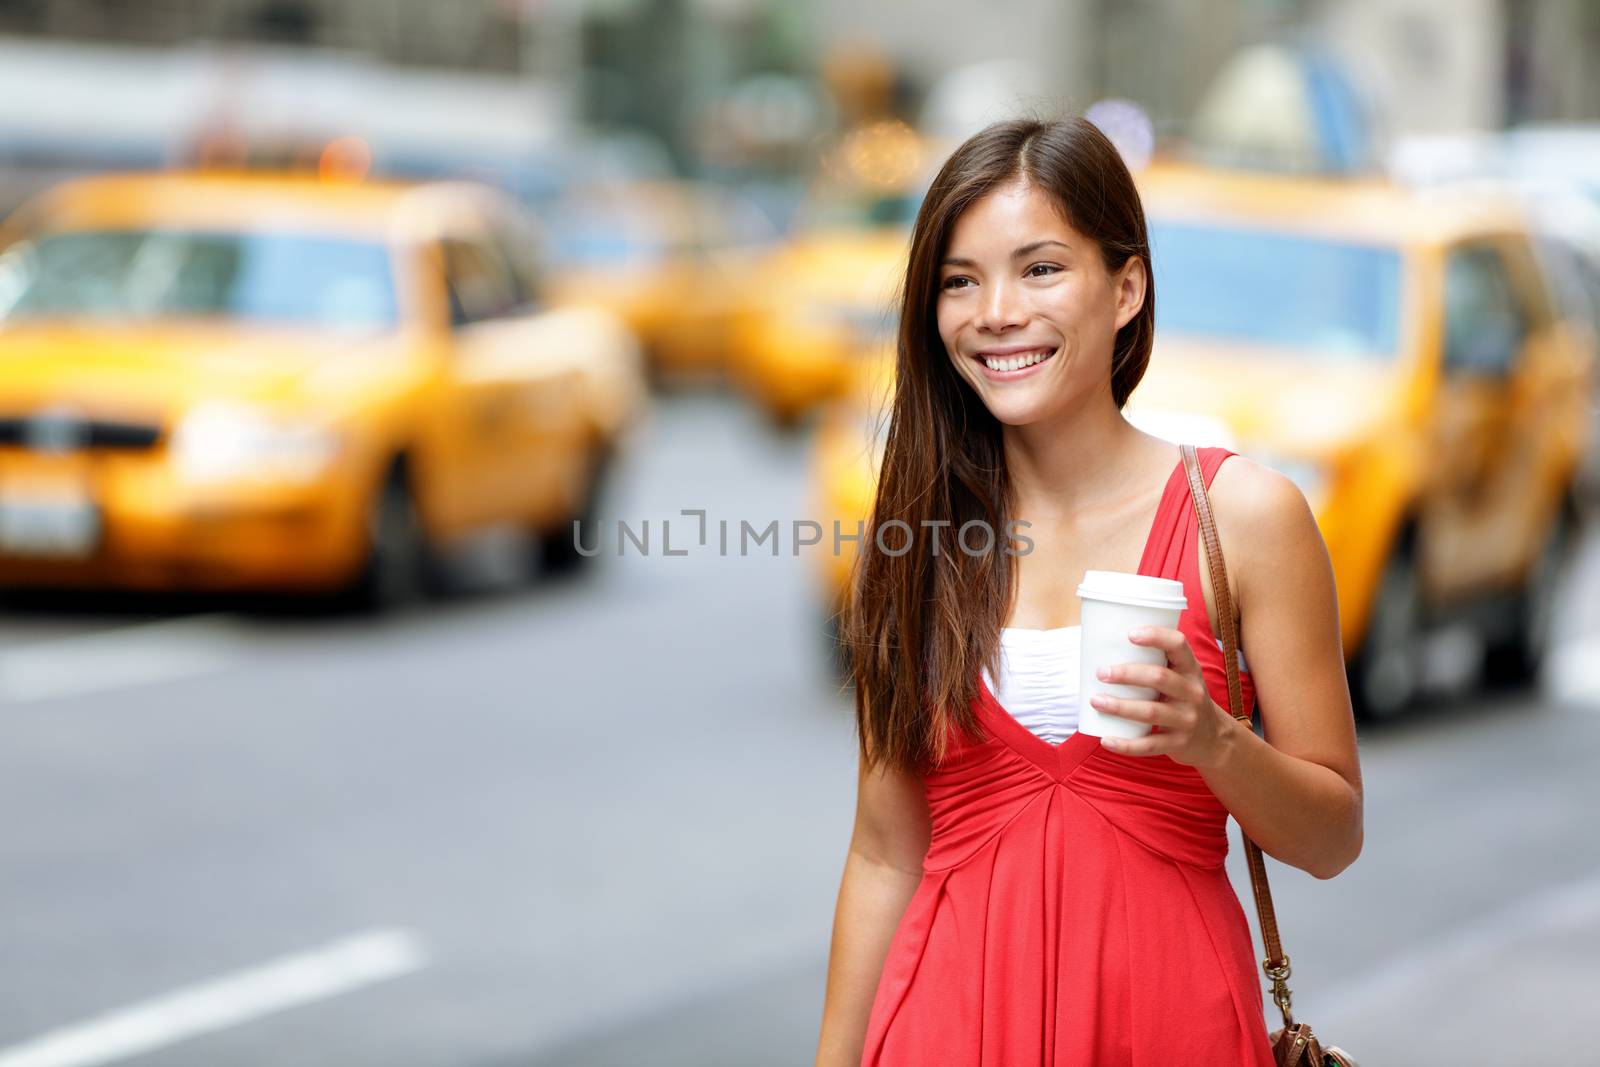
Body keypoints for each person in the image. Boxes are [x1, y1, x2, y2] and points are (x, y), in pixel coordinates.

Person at [812, 115, 1364, 1066]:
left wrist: (1213, 738)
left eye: (1039, 269)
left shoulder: (1246, 517)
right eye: (959, 280)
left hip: (1171, 1021)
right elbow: (884, 852)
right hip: (944, 1026)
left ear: (1127, 286)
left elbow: (1332, 836)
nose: (994, 311)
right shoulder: (914, 542)